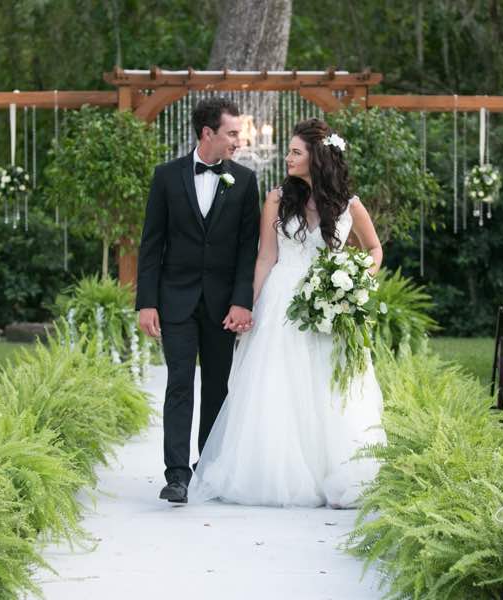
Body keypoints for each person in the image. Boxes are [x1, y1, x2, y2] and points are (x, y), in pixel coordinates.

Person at [188, 118, 387, 508]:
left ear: (317, 158)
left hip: (330, 304)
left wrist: (354, 278)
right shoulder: (277, 198)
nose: (288, 157)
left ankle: (337, 472)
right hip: (282, 301)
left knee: (329, 387)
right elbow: (265, 257)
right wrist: (247, 306)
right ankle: (282, 474)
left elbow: (375, 250)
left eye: (296, 152)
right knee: (278, 386)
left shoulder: (349, 206)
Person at [135, 97, 261, 504]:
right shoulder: (167, 177)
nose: (238, 141)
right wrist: (146, 302)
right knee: (179, 382)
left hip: (224, 304)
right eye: (232, 133)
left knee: (217, 387)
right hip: (175, 301)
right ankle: (176, 475)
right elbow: (151, 244)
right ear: (207, 133)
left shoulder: (244, 182)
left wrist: (242, 301)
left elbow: (248, 250)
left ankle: (207, 466)